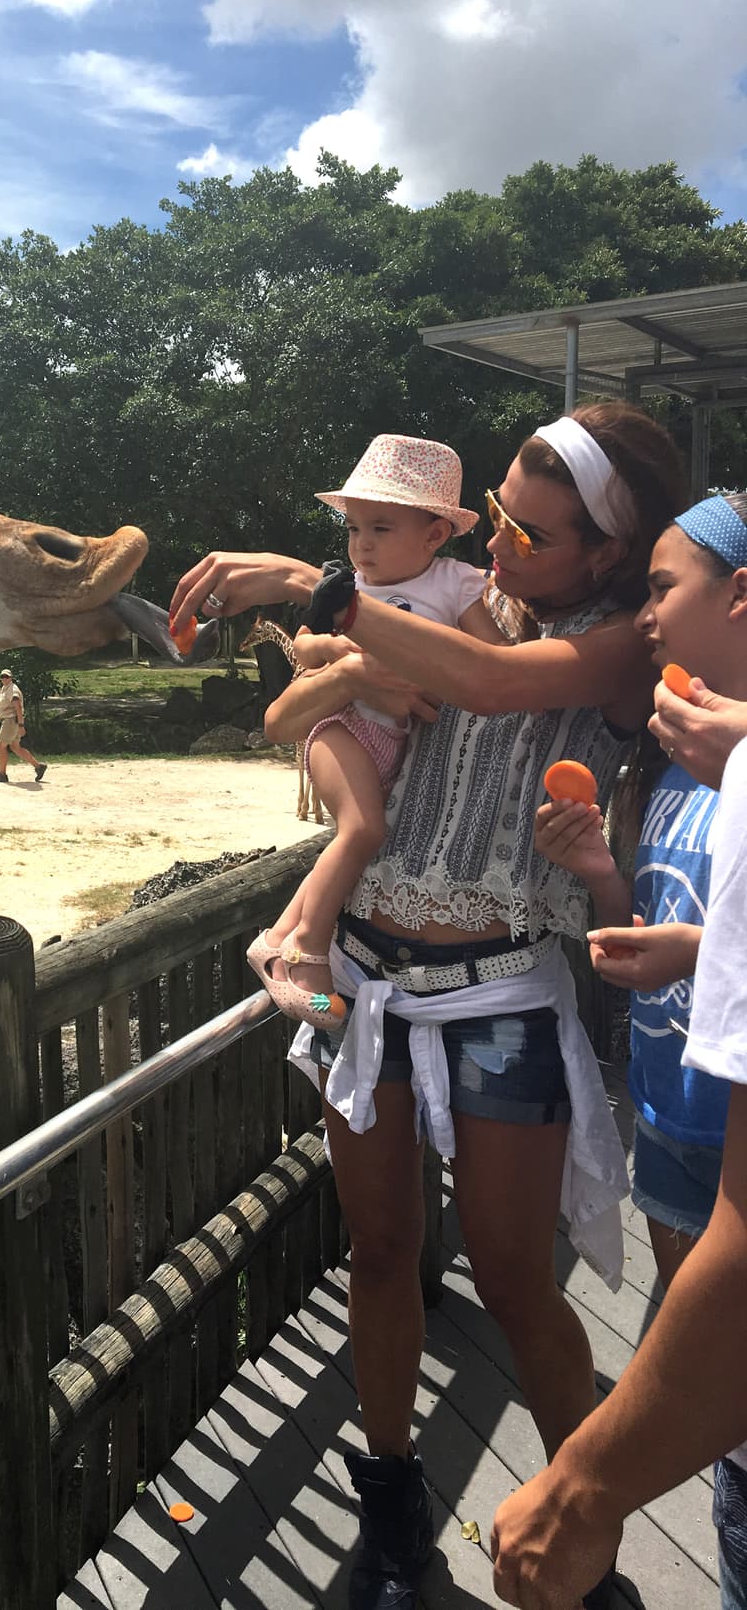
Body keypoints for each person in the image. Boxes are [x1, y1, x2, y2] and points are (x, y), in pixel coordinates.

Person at [171, 402, 685, 1610]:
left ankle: (582, 1521)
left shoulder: (618, 641)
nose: (501, 546)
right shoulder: (453, 594)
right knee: (382, 1250)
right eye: (494, 517)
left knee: (514, 1277)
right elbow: (304, 713)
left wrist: (311, 588)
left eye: (529, 531)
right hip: (369, 982)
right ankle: (392, 1503)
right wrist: (323, 662)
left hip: (499, 985)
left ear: (605, 556)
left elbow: (496, 688)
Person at [491, 496, 747, 1610]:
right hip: (674, 1119)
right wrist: (600, 872)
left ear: (738, 595)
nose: (640, 615)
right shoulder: (680, 759)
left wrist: (581, 1489)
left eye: (659, 587)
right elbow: (667, 911)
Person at [248, 435, 505, 1027]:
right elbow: (308, 644)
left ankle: (277, 939)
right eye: (354, 528)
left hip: (397, 742)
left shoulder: (455, 584)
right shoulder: (347, 588)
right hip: (344, 726)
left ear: (435, 534)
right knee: (363, 828)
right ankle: (309, 949)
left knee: (360, 841)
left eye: (380, 528)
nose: (361, 543)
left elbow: (492, 658)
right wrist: (342, 644)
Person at [0, 667, 48, 784]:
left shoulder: (13, 690)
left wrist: (21, 725)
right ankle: (38, 767)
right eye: (2, 677)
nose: (4, 678)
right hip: (9, 719)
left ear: (11, 678)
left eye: (7, 676)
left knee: (1, 745)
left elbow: (18, 707)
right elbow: (4, 708)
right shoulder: (4, 689)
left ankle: (2, 774)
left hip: (11, 721)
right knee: (15, 747)